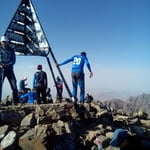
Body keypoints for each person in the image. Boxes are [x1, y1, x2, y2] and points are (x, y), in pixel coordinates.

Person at [0, 35, 18, 104]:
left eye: (5, 42)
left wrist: (7, 65)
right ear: (1, 42)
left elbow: (13, 61)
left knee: (14, 85)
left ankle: (16, 101)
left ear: (7, 42)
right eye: (3, 42)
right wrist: (1, 65)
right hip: (1, 70)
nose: (4, 43)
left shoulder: (11, 50)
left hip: (9, 70)